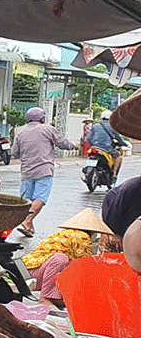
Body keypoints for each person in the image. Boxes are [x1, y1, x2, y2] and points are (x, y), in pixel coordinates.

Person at [23, 209, 118, 307]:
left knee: (67, 265)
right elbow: (86, 264)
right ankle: (46, 298)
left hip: (29, 271)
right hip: (35, 274)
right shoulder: (82, 236)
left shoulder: (65, 233)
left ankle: (55, 297)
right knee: (61, 259)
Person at [11, 105, 76, 237]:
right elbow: (62, 143)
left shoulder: (20, 133)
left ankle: (29, 226)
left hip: (27, 172)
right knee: (40, 197)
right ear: (41, 118)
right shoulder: (48, 129)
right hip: (44, 170)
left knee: (27, 200)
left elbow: (14, 153)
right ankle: (27, 220)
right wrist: (73, 146)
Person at [86, 109, 126, 179]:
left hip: (95, 147)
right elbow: (118, 138)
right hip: (107, 149)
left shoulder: (96, 126)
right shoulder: (112, 126)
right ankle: (114, 173)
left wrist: (92, 145)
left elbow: (89, 138)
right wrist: (123, 143)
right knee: (119, 156)